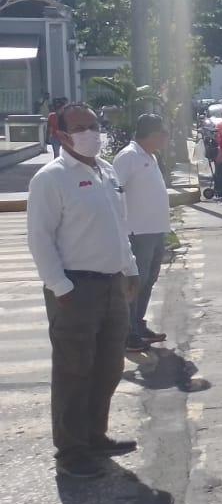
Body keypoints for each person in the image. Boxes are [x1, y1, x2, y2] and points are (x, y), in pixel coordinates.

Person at [26, 102, 139, 479]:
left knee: (108, 366)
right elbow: (40, 239)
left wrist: (130, 269)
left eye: (95, 124)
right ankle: (72, 451)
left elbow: (118, 227)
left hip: (111, 284)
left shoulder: (105, 171)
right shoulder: (51, 178)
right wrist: (60, 286)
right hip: (75, 289)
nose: (92, 132)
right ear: (61, 134)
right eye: (81, 127)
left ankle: (95, 435)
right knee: (74, 371)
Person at [113, 113, 171, 350]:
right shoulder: (129, 156)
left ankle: (137, 324)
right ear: (152, 134)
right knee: (135, 282)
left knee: (149, 280)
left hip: (156, 230)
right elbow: (115, 191)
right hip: (138, 231)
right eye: (163, 134)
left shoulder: (149, 156)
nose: (166, 138)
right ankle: (127, 333)